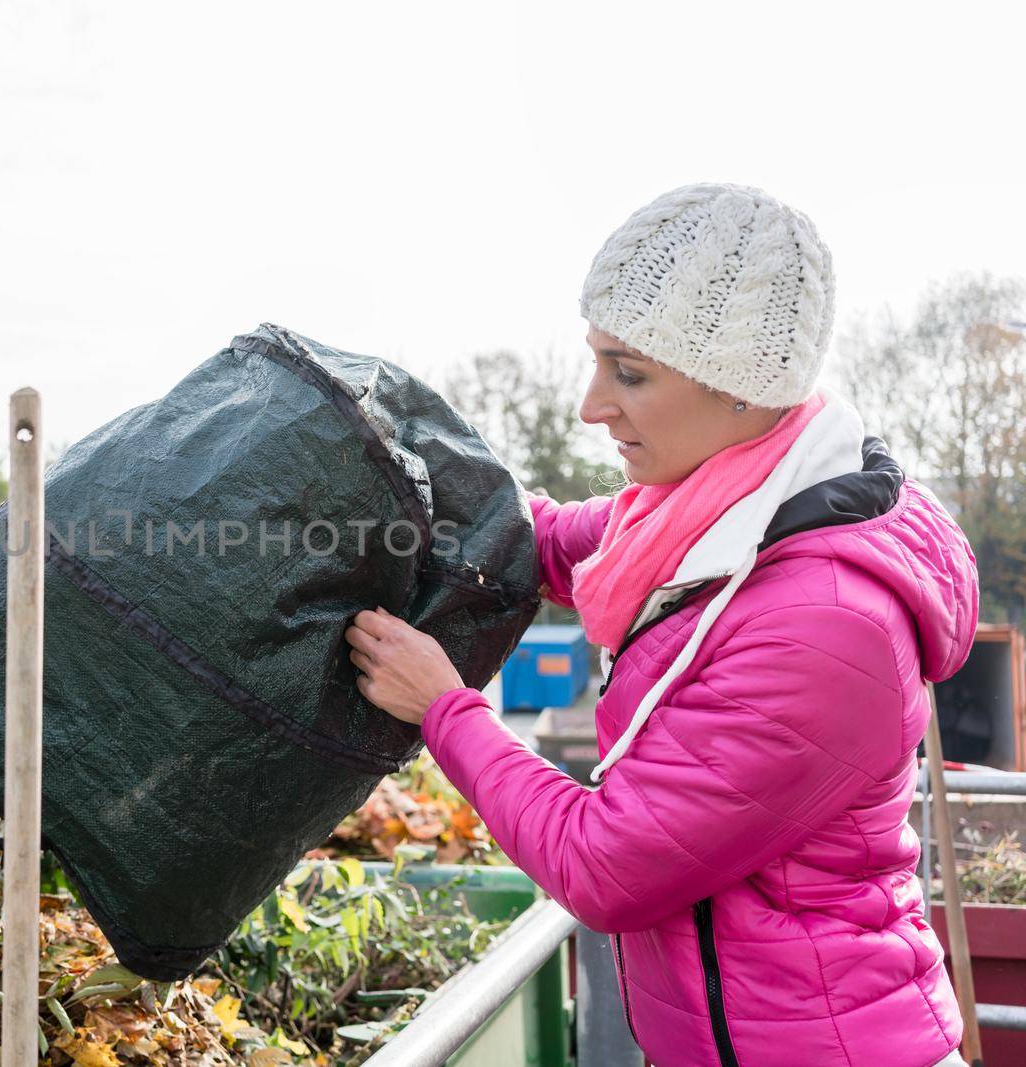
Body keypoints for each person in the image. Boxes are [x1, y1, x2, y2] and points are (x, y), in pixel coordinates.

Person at [345, 183, 977, 1067]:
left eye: (629, 373)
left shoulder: (822, 628)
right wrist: (406, 491)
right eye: (598, 361)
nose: (590, 406)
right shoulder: (723, 512)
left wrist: (447, 709)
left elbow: (604, 864)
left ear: (742, 392)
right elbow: (550, 543)